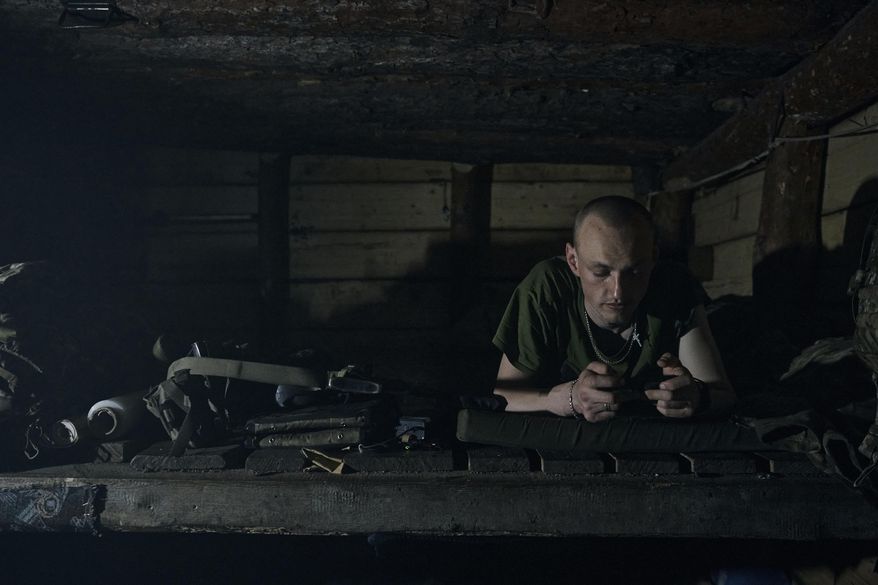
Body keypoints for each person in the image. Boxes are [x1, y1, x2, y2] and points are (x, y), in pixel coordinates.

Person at [492, 195, 735, 422]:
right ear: (573, 261)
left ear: (653, 258)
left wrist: (697, 397)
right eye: (601, 272)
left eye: (634, 272)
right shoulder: (548, 287)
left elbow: (723, 395)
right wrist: (568, 399)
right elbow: (504, 397)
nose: (618, 292)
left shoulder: (674, 286)